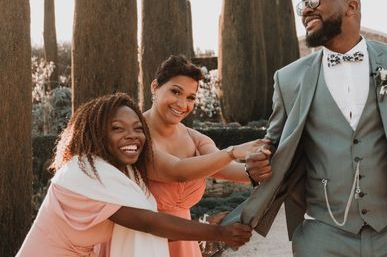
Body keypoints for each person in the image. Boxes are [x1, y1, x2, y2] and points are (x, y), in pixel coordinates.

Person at [224, 0, 387, 256]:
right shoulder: (288, 79)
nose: (306, 10)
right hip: (323, 236)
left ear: (351, 6)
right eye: (302, 5)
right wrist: (257, 166)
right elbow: (271, 146)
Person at [17, 93, 252, 257]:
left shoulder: (128, 175)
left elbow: (146, 230)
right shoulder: (82, 172)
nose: (132, 136)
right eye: (117, 128)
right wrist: (218, 233)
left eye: (138, 128)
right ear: (95, 134)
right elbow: (148, 223)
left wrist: (205, 225)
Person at [144, 55, 266, 257]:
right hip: (144, 242)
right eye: (176, 92)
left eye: (191, 97)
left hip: (184, 245)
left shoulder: (195, 138)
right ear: (155, 87)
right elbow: (178, 171)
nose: (182, 104)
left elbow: (223, 167)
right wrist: (233, 151)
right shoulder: (135, 135)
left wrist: (264, 169)